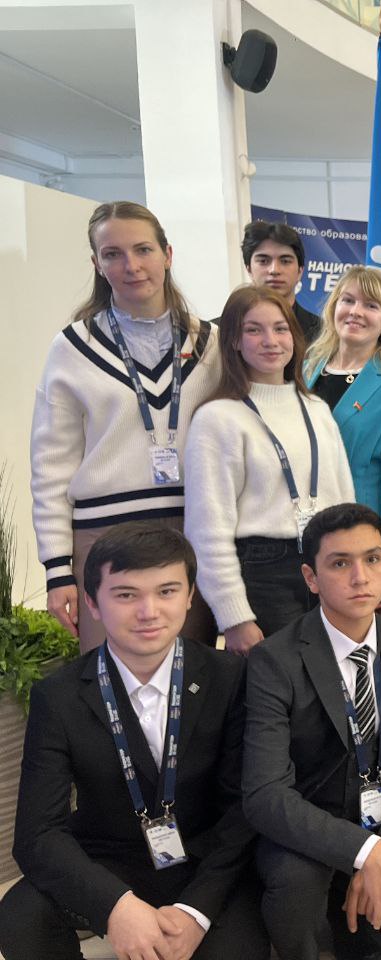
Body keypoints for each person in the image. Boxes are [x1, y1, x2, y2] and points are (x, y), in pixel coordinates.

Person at [0, 522, 268, 960]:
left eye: (166, 591)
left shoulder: (231, 678)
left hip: (207, 863)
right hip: (110, 857)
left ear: (190, 595)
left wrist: (195, 912)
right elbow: (37, 834)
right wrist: (114, 907)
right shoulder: (59, 696)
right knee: (20, 917)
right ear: (92, 602)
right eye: (126, 595)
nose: (149, 611)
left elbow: (244, 810)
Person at [242, 504, 381, 959]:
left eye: (372, 559)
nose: (360, 577)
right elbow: (265, 794)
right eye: (340, 563)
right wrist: (364, 852)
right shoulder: (274, 660)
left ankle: (351, 922)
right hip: (306, 830)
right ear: (311, 577)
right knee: (296, 892)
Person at [32, 200, 220, 652]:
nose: (131, 266)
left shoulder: (211, 343)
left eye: (143, 250)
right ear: (96, 264)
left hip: (193, 530)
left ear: (167, 254)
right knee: (110, 678)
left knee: (192, 676)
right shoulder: (72, 347)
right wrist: (58, 570)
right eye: (113, 254)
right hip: (104, 537)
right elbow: (50, 467)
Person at [184, 285, 354, 653]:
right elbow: (207, 530)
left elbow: (345, 502)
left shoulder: (316, 409)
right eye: (254, 330)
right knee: (278, 683)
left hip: (326, 563)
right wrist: (235, 618)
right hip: (263, 574)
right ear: (233, 340)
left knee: (327, 678)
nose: (270, 341)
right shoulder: (218, 418)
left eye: (280, 328)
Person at [304, 266, 381, 613]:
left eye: (371, 305)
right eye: (348, 300)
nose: (356, 311)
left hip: (361, 544)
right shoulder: (305, 368)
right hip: (302, 539)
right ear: (333, 307)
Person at [240, 219, 323, 343]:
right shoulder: (221, 331)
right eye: (263, 261)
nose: (274, 270)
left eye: (285, 261)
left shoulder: (324, 332)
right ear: (249, 269)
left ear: (300, 271)